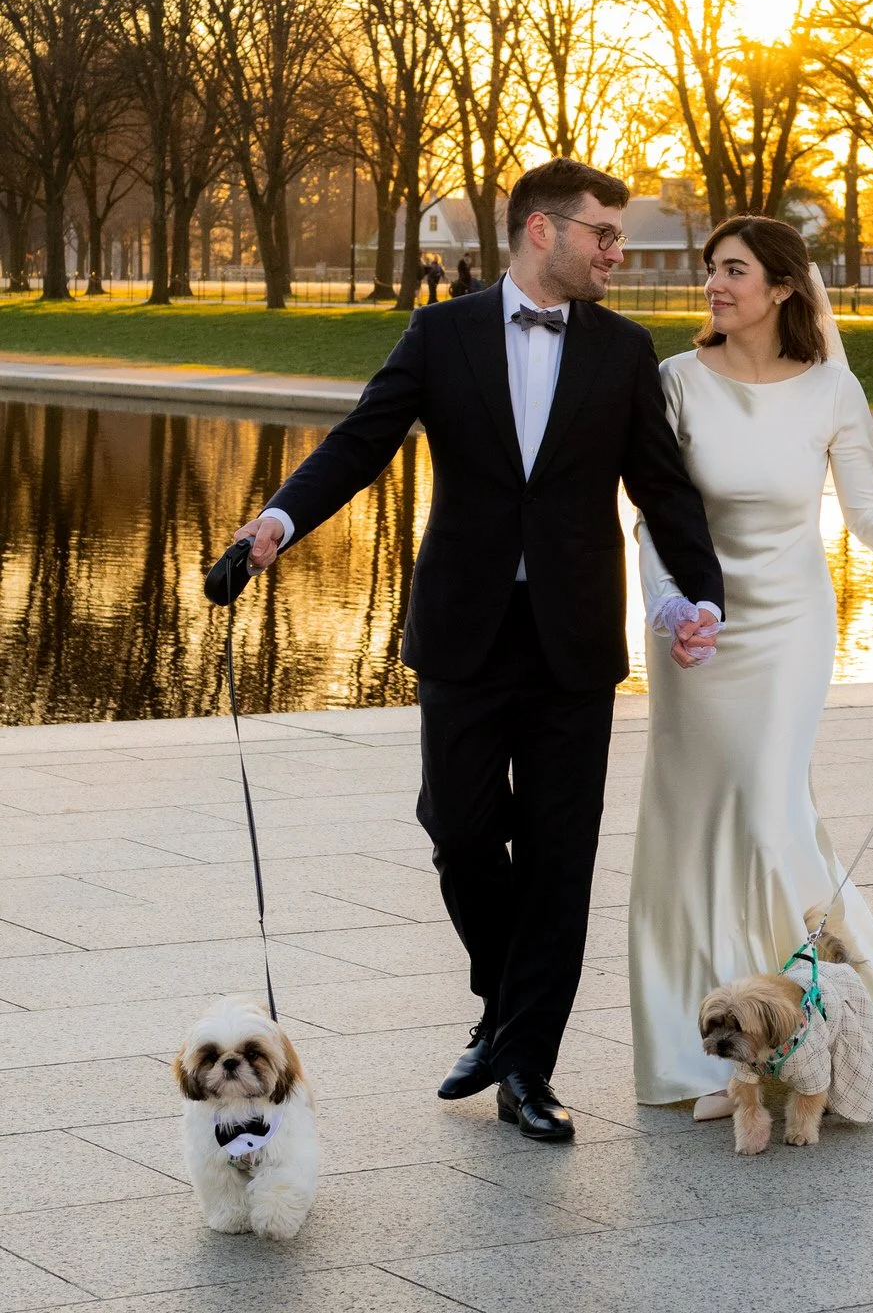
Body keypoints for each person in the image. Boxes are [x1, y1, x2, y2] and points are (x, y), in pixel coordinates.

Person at [232, 158, 724, 1142]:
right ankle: (503, 1002)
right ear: (542, 231)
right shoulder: (442, 332)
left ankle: (526, 1070)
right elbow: (364, 438)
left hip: (575, 640)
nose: (616, 254)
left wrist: (703, 591)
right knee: (459, 829)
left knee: (559, 854)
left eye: (620, 238)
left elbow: (662, 485)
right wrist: (282, 517)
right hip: (464, 627)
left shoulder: (624, 351)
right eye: (604, 235)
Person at [630, 214, 873, 1117]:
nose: (714, 284)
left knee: (767, 807)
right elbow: (653, 513)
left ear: (784, 287)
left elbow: (870, 519)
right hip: (697, 628)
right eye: (710, 269)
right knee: (692, 824)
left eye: (735, 271)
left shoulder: (833, 387)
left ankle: (799, 1018)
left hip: (791, 626)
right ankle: (712, 1049)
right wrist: (671, 606)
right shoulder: (674, 380)